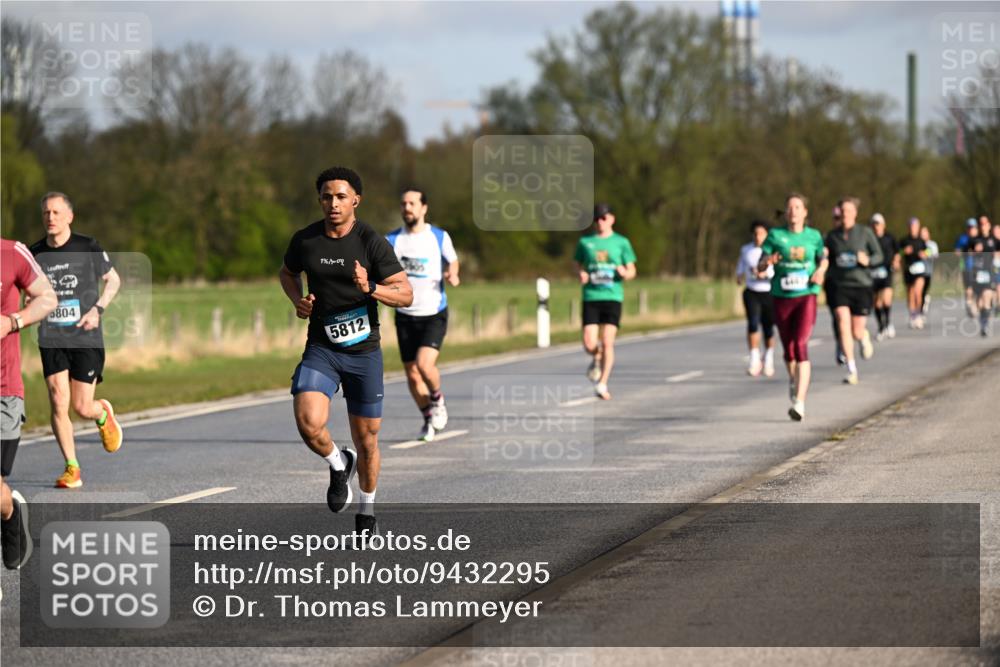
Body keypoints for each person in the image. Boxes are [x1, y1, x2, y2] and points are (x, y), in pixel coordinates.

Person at [280, 167, 412, 536]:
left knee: (367, 439)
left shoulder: (370, 241)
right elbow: (287, 273)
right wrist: (297, 301)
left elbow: (405, 294)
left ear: (356, 199)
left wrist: (371, 287)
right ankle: (339, 463)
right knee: (308, 421)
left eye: (340, 196)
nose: (333, 203)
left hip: (363, 353)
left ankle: (367, 510)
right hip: (322, 347)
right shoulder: (305, 240)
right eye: (326, 196)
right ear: (319, 200)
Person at [30, 192, 124, 489]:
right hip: (52, 337)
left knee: (82, 407)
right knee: (59, 400)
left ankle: (101, 413)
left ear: (69, 216)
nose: (50, 218)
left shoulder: (87, 246)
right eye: (46, 213)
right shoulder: (34, 253)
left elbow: (114, 280)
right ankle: (72, 467)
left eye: (56, 212)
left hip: (85, 335)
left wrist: (97, 310)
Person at [1, 236, 57, 571]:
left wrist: (13, 321)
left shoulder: (12, 252)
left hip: (3, 390)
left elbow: (48, 297)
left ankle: (9, 513)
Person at [386, 188, 460, 442]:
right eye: (404, 203)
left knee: (424, 365)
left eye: (412, 203)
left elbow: (453, 260)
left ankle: (437, 399)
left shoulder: (438, 237)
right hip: (405, 314)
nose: (407, 207)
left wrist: (453, 273)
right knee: (412, 373)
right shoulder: (392, 240)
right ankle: (428, 417)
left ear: (424, 208)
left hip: (433, 312)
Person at [758, 192, 828, 421]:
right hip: (781, 296)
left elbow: (823, 258)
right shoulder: (775, 236)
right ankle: (793, 378)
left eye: (797, 207)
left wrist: (821, 271)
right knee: (788, 350)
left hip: (806, 294)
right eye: (789, 207)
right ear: (786, 212)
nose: (793, 211)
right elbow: (761, 264)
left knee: (800, 345)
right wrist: (767, 261)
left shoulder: (814, 236)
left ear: (805, 212)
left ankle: (799, 402)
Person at [574, 203, 637, 400]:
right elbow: (576, 263)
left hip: (612, 297)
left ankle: (602, 383)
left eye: (603, 218)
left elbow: (632, 270)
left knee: (608, 341)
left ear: (611, 219)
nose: (600, 222)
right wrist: (581, 273)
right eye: (596, 219)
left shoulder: (621, 242)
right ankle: (597, 355)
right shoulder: (586, 242)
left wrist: (625, 273)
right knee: (588, 343)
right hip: (591, 296)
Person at [824, 197, 882, 385]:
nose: (845, 214)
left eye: (849, 211)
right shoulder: (832, 236)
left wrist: (869, 261)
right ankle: (851, 369)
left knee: (856, 331)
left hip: (861, 285)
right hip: (840, 286)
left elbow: (879, 255)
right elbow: (825, 258)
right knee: (842, 321)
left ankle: (863, 336)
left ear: (855, 213)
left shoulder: (865, 233)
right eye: (843, 211)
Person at [735, 220, 776, 377]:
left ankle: (769, 357)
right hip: (752, 291)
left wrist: (765, 274)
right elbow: (741, 266)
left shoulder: (772, 250)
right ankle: (754, 359)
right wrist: (739, 275)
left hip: (769, 292)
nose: (758, 237)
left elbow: (777, 270)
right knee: (752, 323)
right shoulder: (746, 249)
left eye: (762, 234)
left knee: (768, 327)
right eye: (756, 234)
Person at [869, 213, 899, 341]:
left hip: (887, 271)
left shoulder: (890, 237)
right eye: (874, 224)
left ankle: (888, 323)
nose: (876, 226)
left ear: (883, 225)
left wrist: (896, 261)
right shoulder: (869, 238)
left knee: (886, 299)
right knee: (876, 302)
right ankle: (881, 326)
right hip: (873, 273)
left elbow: (897, 252)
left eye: (878, 224)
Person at [823, 206, 846, 365]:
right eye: (836, 218)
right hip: (833, 283)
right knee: (836, 317)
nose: (838, 221)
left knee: (849, 319)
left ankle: (853, 338)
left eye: (840, 217)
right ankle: (841, 345)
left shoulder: (855, 236)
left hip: (852, 284)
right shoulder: (828, 238)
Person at [899, 217, 929, 329]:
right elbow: (897, 253)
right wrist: (904, 252)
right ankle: (912, 316)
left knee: (918, 292)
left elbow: (928, 251)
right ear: (908, 227)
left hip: (920, 270)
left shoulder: (921, 241)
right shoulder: (904, 240)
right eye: (911, 226)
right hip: (908, 269)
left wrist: (925, 253)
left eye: (915, 226)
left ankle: (919, 315)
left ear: (918, 227)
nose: (913, 228)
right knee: (910, 293)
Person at [969, 217, 997, 336]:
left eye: (985, 224)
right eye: (981, 224)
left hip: (989, 272)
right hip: (977, 273)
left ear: (989, 225)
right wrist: (975, 251)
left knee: (987, 297)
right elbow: (966, 254)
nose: (983, 226)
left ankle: (984, 326)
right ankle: (983, 321)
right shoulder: (975, 240)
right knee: (980, 302)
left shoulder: (994, 240)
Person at [955, 218, 979, 318]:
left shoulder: (980, 238)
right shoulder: (963, 238)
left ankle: (975, 304)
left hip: (979, 267)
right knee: (968, 287)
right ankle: (969, 304)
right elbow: (957, 251)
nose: (971, 229)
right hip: (966, 266)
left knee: (977, 288)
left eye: (973, 227)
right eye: (969, 227)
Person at [919, 226, 939, 316]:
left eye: (925, 233)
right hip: (919, 271)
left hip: (928, 271)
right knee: (919, 290)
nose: (923, 235)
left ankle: (924, 302)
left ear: (928, 234)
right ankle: (920, 309)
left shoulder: (932, 244)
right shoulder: (918, 244)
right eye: (921, 233)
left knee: (924, 290)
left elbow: (935, 255)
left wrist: (926, 253)